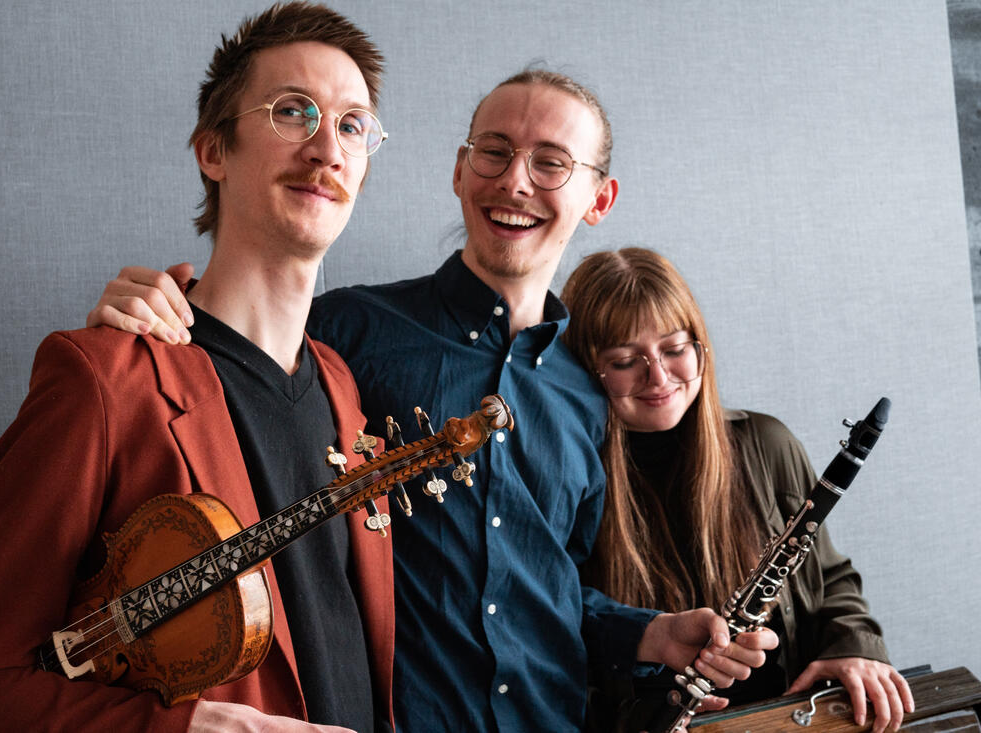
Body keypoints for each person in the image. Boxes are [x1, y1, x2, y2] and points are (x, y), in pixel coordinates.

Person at [82, 70, 778, 732]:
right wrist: (159, 308)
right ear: (458, 169)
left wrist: (652, 632)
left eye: (551, 162)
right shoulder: (348, 330)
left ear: (600, 199)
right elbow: (221, 368)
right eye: (494, 153)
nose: (513, 181)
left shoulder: (586, 394)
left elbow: (552, 587)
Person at [0, 4, 396, 731]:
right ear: (213, 151)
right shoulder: (100, 379)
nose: (327, 148)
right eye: (293, 112)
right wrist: (188, 729)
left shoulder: (344, 387)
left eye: (352, 125)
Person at [560, 247, 916, 733]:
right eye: (625, 360)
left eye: (675, 349)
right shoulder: (567, 483)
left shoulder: (766, 443)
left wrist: (855, 648)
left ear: (700, 347)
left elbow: (831, 578)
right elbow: (555, 630)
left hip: (788, 720)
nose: (658, 377)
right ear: (585, 368)